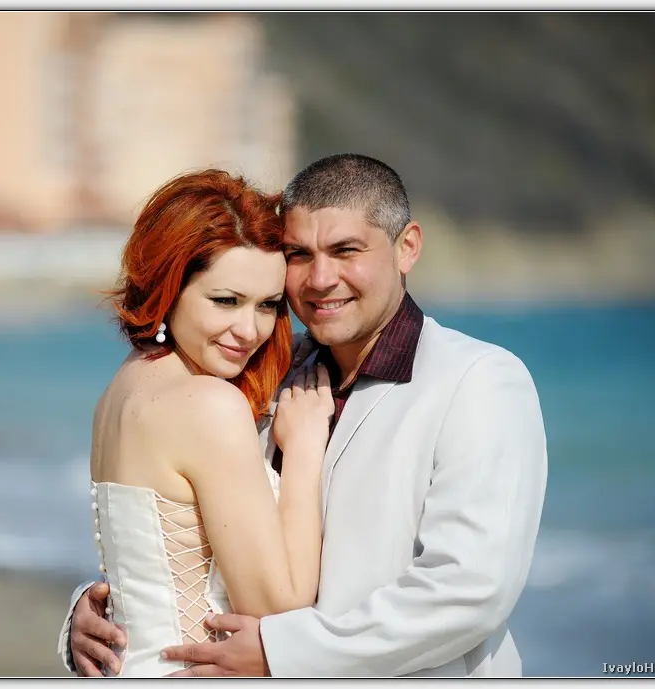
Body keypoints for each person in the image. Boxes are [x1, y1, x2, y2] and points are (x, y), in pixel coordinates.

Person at [61, 153, 548, 677]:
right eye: (299, 254)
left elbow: (468, 591)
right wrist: (97, 614)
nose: (320, 278)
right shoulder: (255, 370)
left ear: (406, 247)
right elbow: (182, 537)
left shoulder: (478, 381)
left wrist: (283, 653)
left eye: (345, 251)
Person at [75, 168, 335, 677]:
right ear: (169, 287)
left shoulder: (121, 389)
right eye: (226, 301)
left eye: (268, 305)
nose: (250, 330)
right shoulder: (209, 404)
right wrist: (305, 448)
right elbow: (278, 610)